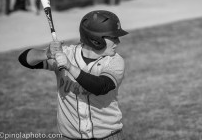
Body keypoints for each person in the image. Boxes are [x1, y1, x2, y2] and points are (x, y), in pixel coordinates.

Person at [18, 10, 128, 139]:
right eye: (113, 37)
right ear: (96, 40)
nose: (118, 42)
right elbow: (25, 60)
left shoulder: (115, 61)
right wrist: (46, 54)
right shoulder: (67, 54)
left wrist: (69, 67)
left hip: (108, 136)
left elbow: (100, 86)